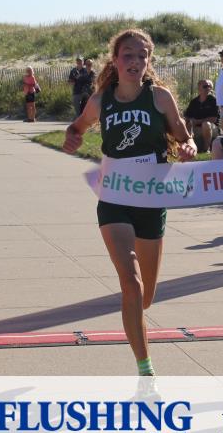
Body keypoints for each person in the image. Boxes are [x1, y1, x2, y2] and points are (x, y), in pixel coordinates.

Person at [63, 28, 196, 377]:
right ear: (116, 60)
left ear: (149, 60)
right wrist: (71, 137)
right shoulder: (100, 101)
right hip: (115, 197)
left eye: (142, 56)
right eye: (128, 55)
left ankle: (134, 319)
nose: (135, 61)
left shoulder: (160, 98)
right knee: (131, 285)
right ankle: (145, 370)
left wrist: (189, 147)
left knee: (144, 297)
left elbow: (184, 137)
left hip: (151, 199)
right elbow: (77, 128)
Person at [184, 79, 220, 153]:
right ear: (199, 88)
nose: (208, 88)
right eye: (205, 86)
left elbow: (214, 119)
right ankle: (188, 148)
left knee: (206, 124)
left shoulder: (213, 100)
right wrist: (190, 121)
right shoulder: (194, 102)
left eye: (209, 86)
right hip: (196, 127)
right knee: (186, 123)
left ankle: (206, 149)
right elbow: (187, 116)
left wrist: (198, 121)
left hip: (211, 128)